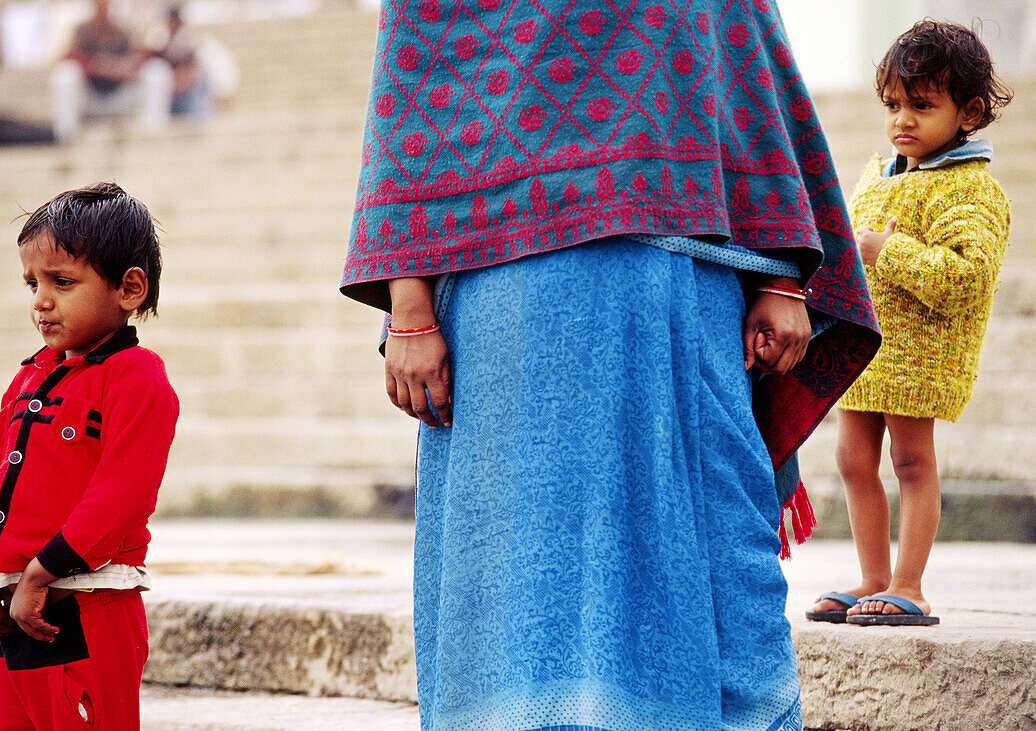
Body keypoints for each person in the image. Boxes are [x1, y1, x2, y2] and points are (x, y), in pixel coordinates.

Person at [342, 3, 880, 729]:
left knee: (721, 581)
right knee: (524, 587)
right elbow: (414, 75)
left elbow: (742, 50)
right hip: (509, 309)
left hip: (679, 289)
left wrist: (784, 276)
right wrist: (407, 301)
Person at [0, 182, 180, 729]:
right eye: (32, 283)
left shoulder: (137, 378)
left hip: (85, 606)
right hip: (15, 611)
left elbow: (121, 495)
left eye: (62, 282)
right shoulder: (31, 377)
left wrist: (40, 573)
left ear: (129, 289)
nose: (40, 301)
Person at [807, 20, 1012, 627]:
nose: (903, 119)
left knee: (912, 462)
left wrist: (885, 252)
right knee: (851, 460)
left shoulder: (971, 191)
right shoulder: (883, 172)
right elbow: (853, 248)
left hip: (921, 354)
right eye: (894, 104)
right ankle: (872, 577)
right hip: (867, 349)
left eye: (923, 106)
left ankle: (910, 585)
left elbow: (965, 277)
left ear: (969, 114)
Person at [50, 0, 171, 141]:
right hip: (91, 97)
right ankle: (66, 136)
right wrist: (98, 67)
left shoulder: (125, 31)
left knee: (157, 71)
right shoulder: (81, 30)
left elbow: (142, 57)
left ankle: (152, 135)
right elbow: (68, 57)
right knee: (64, 74)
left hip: (119, 96)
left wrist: (123, 67)